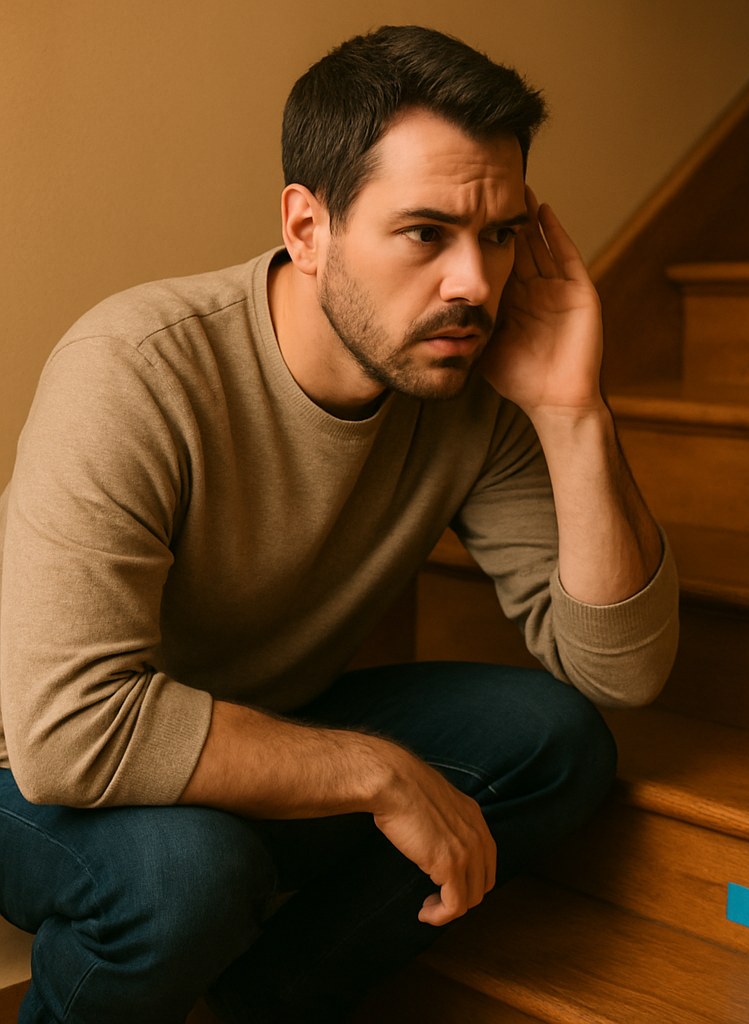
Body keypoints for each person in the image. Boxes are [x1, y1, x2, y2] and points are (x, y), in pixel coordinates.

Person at [0, 24, 679, 1024]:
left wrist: (573, 411)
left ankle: (265, 1003)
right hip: (26, 767)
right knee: (186, 875)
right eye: (426, 233)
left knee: (557, 740)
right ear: (308, 228)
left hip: (246, 726)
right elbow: (68, 733)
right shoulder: (135, 368)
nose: (474, 284)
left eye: (499, 235)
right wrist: (374, 771)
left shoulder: (466, 385)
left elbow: (622, 671)